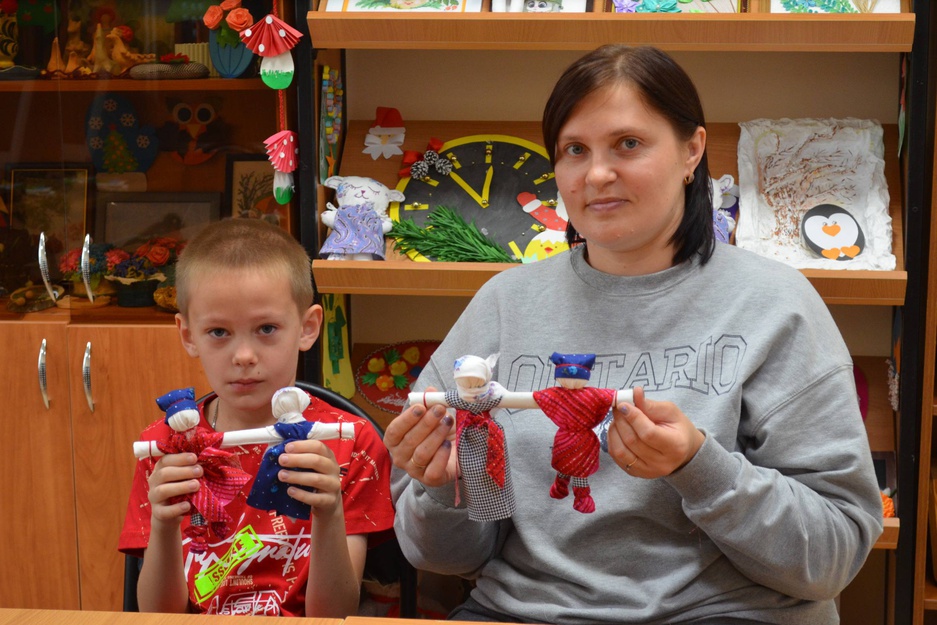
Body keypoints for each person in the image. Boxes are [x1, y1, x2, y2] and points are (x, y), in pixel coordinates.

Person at [383, 44, 883, 624]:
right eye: (575, 150)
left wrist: (699, 468)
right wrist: (442, 489)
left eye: (628, 144)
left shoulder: (775, 304)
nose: (597, 175)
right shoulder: (503, 305)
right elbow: (444, 559)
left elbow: (832, 556)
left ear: (692, 150)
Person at [119, 218, 395, 617]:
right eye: (218, 332)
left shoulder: (349, 441)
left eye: (266, 328)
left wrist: (329, 513)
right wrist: (162, 526)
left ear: (308, 327)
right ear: (188, 336)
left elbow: (333, 615)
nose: (244, 356)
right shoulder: (164, 447)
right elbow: (159, 616)